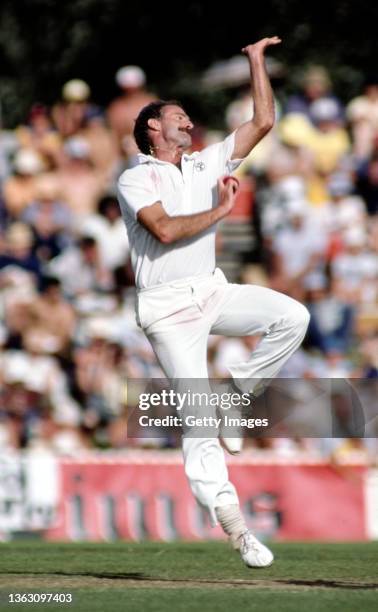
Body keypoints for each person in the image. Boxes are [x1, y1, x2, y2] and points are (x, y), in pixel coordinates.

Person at [117, 37, 310, 568]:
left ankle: (236, 393)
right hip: (166, 308)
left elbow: (263, 121)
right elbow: (165, 229)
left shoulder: (205, 163)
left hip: (211, 288)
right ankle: (238, 530)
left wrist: (255, 61)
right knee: (198, 425)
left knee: (293, 316)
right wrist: (223, 212)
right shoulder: (137, 176)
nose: (187, 120)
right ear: (154, 127)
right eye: (177, 116)